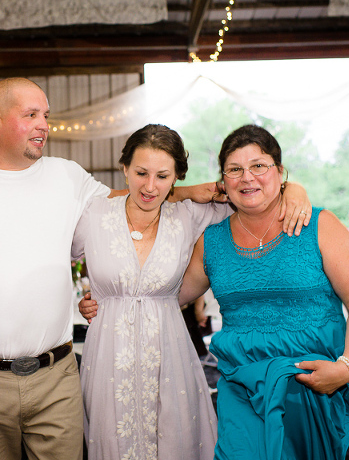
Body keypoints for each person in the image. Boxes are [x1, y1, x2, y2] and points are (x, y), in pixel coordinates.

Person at [0, 78, 311, 460]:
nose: (44, 124)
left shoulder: (67, 177)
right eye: (31, 114)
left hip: (56, 375)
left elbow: (137, 202)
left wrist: (286, 189)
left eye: (46, 115)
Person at [169, 124, 349, 459]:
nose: (247, 177)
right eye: (235, 169)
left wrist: (347, 367)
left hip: (314, 385)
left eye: (259, 166)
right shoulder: (211, 241)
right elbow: (168, 297)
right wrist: (110, 300)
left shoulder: (319, 226)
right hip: (244, 387)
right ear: (223, 181)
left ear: (280, 172)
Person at [72, 125, 249, 459]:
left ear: (177, 177)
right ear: (123, 168)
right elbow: (49, 258)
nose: (149, 186)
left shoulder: (191, 215)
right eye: (140, 173)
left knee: (173, 441)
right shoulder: (92, 214)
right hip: (109, 352)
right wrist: (79, 303)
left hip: (170, 351)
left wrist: (293, 190)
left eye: (162, 176)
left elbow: (253, 199)